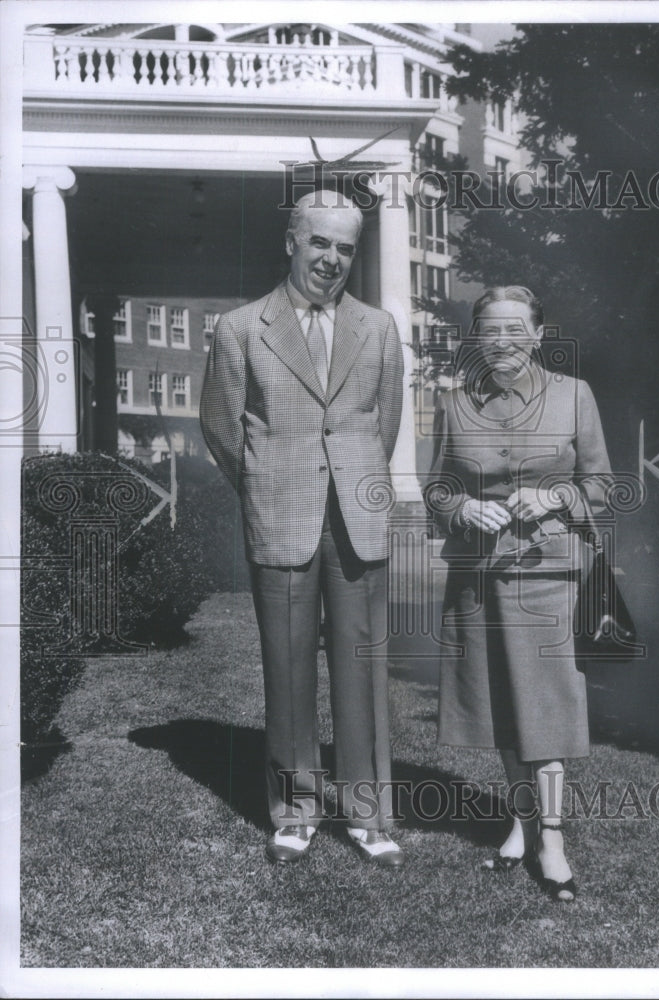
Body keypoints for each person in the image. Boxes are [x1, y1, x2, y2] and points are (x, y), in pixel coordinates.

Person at [200, 189, 405, 867]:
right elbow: (224, 429)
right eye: (320, 242)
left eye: (346, 248)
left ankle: (370, 815)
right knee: (287, 670)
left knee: (363, 671)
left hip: (358, 523)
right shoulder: (240, 329)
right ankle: (294, 811)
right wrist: (266, 485)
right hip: (282, 518)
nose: (332, 259)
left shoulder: (378, 328)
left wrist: (355, 485)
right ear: (292, 241)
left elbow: (385, 425)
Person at [424, 285, 611, 901]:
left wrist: (555, 496)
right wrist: (461, 509)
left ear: (536, 335)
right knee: (501, 707)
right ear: (475, 339)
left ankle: (551, 843)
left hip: (547, 573)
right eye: (489, 331)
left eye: (514, 330)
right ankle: (521, 822)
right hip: (476, 577)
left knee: (547, 711)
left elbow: (603, 487)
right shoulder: (452, 404)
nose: (501, 342)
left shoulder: (573, 395)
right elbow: (436, 490)